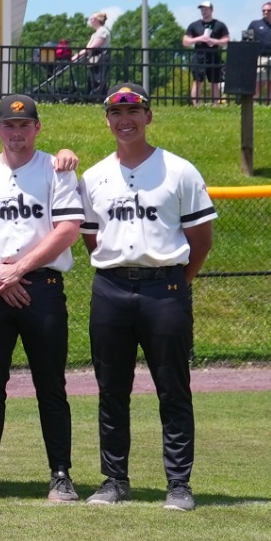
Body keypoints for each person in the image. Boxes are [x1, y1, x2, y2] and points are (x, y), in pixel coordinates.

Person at [81, 83, 216, 511]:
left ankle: (178, 484)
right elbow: (91, 238)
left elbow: (201, 239)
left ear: (148, 116)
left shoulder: (179, 170)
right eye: (117, 113)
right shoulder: (94, 176)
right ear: (107, 120)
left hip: (165, 287)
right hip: (111, 286)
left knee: (173, 388)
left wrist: (176, 281)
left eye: (134, 111)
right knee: (111, 389)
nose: (125, 120)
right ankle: (114, 479)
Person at [0, 94, 85, 502]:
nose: (17, 132)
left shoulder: (56, 169)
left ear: (38, 128)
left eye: (24, 125)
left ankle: (61, 474)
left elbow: (67, 229)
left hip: (41, 288)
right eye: (9, 125)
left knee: (50, 385)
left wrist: (20, 268)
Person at [184, 0, 228, 106]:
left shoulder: (219, 25)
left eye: (206, 9)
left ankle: (215, 105)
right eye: (202, 9)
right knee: (197, 81)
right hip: (198, 55)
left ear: (211, 10)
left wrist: (214, 41)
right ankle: (196, 105)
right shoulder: (194, 25)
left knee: (215, 82)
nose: (204, 11)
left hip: (214, 55)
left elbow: (226, 40)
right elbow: (185, 41)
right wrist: (200, 39)